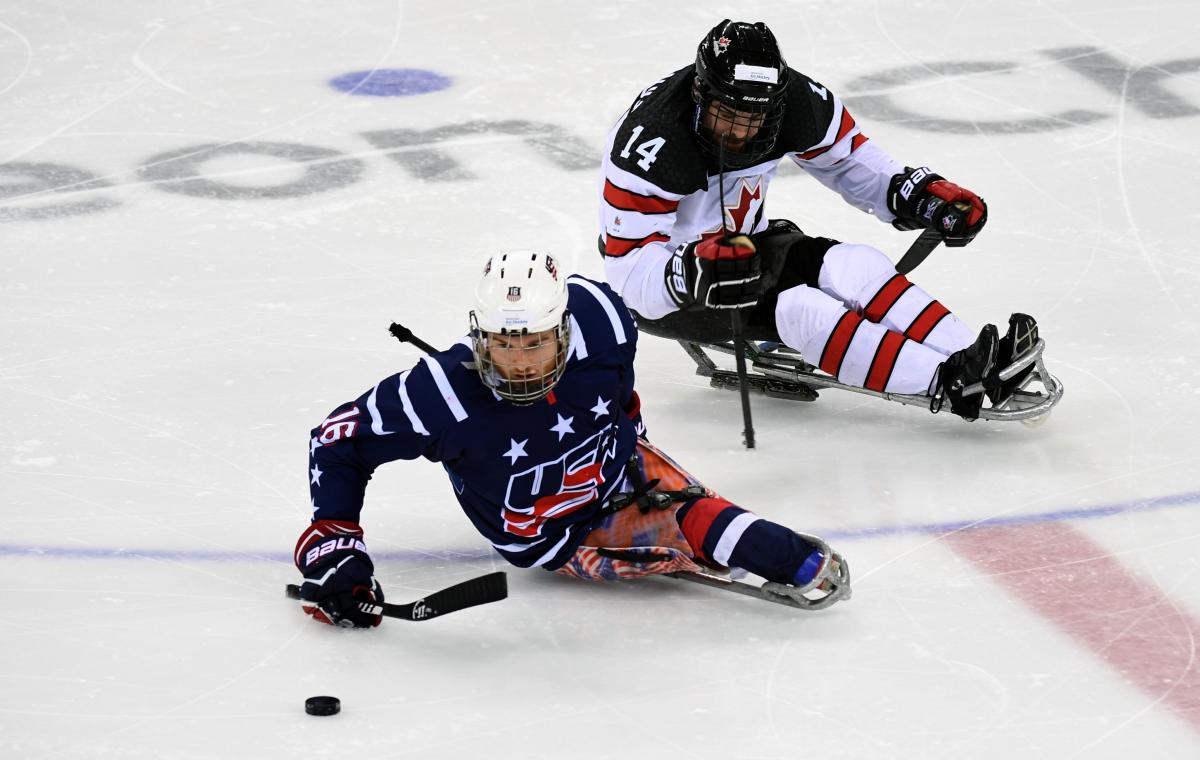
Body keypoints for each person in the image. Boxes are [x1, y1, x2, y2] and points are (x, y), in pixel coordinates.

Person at [294, 250, 850, 627]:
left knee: (700, 516)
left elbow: (620, 388)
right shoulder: (441, 393)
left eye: (534, 343)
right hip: (555, 532)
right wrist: (335, 547)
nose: (518, 362)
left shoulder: (601, 319)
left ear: (563, 329)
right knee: (698, 522)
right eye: (501, 344)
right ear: (477, 334)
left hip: (621, 462)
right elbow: (336, 443)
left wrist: (629, 437)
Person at [598, 19, 1041, 420]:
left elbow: (850, 163)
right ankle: (944, 380)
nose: (741, 130)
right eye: (727, 114)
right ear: (701, 93)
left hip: (751, 244)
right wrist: (690, 271)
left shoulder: (796, 102)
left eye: (755, 117)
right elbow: (626, 276)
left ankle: (978, 358)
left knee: (857, 263)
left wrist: (917, 197)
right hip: (677, 289)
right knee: (802, 310)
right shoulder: (650, 144)